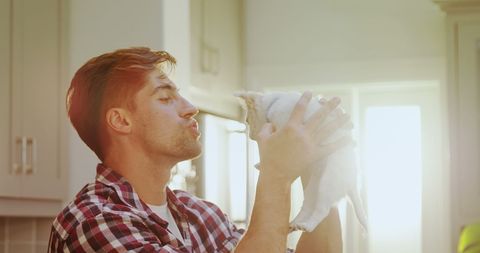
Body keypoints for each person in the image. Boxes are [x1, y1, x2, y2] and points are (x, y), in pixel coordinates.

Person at [48, 47, 351, 253]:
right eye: (166, 98)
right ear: (120, 120)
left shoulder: (201, 215)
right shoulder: (93, 221)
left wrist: (319, 172)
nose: (191, 108)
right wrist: (277, 173)